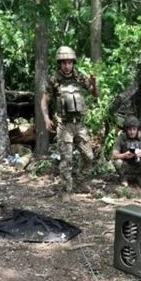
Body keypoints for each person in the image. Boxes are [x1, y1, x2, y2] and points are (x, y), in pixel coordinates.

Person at [40, 45, 98, 194]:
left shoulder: (79, 76)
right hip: (64, 125)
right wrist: (46, 118)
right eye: (64, 62)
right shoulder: (54, 79)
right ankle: (66, 190)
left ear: (73, 63)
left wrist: (93, 83)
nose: (67, 66)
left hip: (79, 125)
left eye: (70, 62)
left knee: (89, 157)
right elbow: (44, 100)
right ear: (59, 63)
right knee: (67, 160)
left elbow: (94, 94)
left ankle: (79, 182)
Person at [111, 116, 141, 187]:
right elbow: (113, 154)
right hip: (126, 165)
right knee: (117, 162)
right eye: (130, 129)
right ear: (126, 130)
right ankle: (123, 177)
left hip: (139, 164)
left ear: (137, 129)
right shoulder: (121, 138)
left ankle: (140, 177)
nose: (132, 132)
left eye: (134, 129)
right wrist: (124, 155)